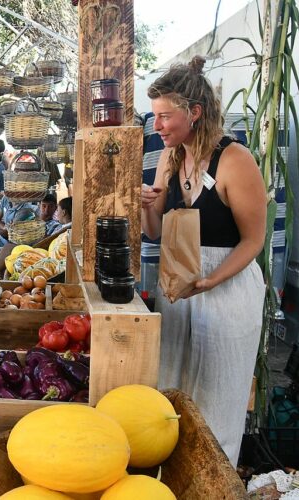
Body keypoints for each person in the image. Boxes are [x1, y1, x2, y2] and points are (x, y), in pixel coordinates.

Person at [141, 56, 266, 466]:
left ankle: (214, 482)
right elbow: (156, 232)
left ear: (194, 112)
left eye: (164, 116)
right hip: (180, 288)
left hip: (226, 290)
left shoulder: (235, 160)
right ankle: (172, 481)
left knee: (217, 397)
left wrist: (213, 281)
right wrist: (145, 206)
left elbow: (254, 241)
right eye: (154, 116)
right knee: (171, 390)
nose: (156, 126)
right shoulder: (168, 158)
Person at [0, 195, 71, 274]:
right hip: (14, 240)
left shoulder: (56, 225)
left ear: (57, 209)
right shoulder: (31, 216)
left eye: (51, 207)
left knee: (9, 247)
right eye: (44, 206)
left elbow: (46, 243)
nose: (46, 210)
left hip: (34, 249)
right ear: (39, 206)